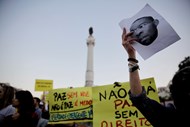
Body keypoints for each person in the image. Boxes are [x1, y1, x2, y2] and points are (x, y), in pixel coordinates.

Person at [121, 28, 190, 127]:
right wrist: (131, 56)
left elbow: (139, 100)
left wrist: (131, 56)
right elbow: (139, 100)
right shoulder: (172, 118)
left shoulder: (171, 118)